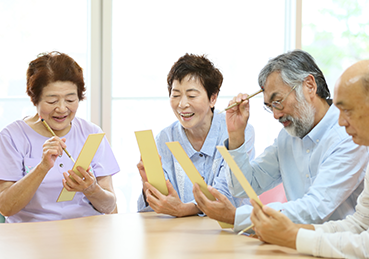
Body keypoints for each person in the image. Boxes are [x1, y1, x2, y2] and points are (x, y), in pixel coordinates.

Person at [193, 50, 368, 232]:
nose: (276, 115)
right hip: (295, 244)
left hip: (340, 247)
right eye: (270, 107)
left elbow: (315, 209)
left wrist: (236, 217)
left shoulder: (349, 136)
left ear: (309, 85)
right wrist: (236, 136)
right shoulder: (288, 136)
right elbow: (245, 186)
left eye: (278, 101)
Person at [250, 60, 369, 259]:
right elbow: (359, 225)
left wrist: (293, 238)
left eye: (347, 111)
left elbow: (365, 245)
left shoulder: (345, 141)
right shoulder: (287, 137)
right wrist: (290, 234)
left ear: (310, 87)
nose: (341, 121)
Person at [0, 51, 120, 223]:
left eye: (71, 100)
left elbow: (110, 207)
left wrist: (92, 189)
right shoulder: (11, 137)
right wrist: (42, 167)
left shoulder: (92, 134)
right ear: (35, 99)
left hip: (85, 234)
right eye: (52, 101)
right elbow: (6, 207)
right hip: (31, 237)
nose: (62, 109)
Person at [137, 53, 255, 217]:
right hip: (181, 235)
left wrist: (183, 210)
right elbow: (159, 207)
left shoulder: (238, 132)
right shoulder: (165, 138)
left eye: (192, 95)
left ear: (212, 98)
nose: (182, 104)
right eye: (175, 95)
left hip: (231, 230)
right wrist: (147, 184)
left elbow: (227, 196)